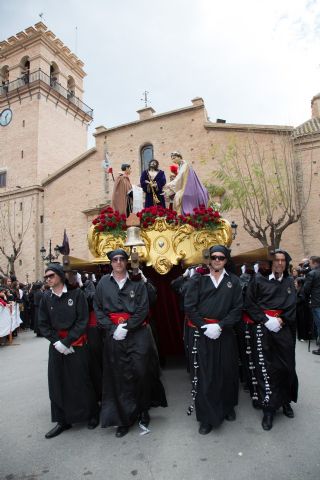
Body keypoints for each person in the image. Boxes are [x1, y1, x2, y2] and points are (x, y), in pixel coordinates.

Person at [94, 248, 167, 438]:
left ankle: (143, 411)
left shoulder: (137, 281)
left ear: (127, 262)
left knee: (141, 373)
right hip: (114, 336)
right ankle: (124, 418)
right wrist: (112, 329)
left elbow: (143, 308)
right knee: (119, 376)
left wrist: (126, 326)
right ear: (110, 263)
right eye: (115, 259)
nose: (118, 262)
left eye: (122, 259)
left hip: (137, 334)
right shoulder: (103, 283)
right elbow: (98, 309)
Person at [184, 245, 243, 434]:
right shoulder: (197, 280)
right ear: (209, 259)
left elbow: (237, 308)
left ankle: (227, 407)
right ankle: (206, 417)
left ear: (226, 260)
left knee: (227, 371)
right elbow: (190, 307)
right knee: (205, 374)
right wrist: (204, 326)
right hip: (202, 334)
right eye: (215, 257)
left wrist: (220, 326)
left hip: (224, 332)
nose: (217, 260)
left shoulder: (233, 281)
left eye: (222, 258)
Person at [38, 263, 98, 439]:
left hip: (76, 343)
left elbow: (82, 320)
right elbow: (42, 324)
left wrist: (68, 341)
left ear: (60, 276)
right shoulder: (45, 298)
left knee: (82, 380)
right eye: (46, 277)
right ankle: (62, 420)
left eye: (51, 276)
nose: (48, 279)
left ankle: (92, 414)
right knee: (57, 382)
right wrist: (57, 342)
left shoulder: (76, 294)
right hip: (57, 346)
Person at [244, 249, 298, 431]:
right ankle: (268, 409)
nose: (280, 263)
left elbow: (292, 305)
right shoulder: (257, 280)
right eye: (276, 260)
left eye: (283, 260)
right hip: (262, 328)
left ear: (286, 263)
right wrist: (266, 320)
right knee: (266, 370)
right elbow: (249, 303)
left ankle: (285, 401)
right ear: (271, 263)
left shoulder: (290, 282)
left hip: (283, 329)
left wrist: (281, 320)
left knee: (287, 366)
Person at [301, 255, 320, 354]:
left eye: (310, 263)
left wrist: (304, 298)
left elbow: (306, 289)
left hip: (316, 302)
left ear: (315, 263)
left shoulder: (312, 273)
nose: (309, 265)